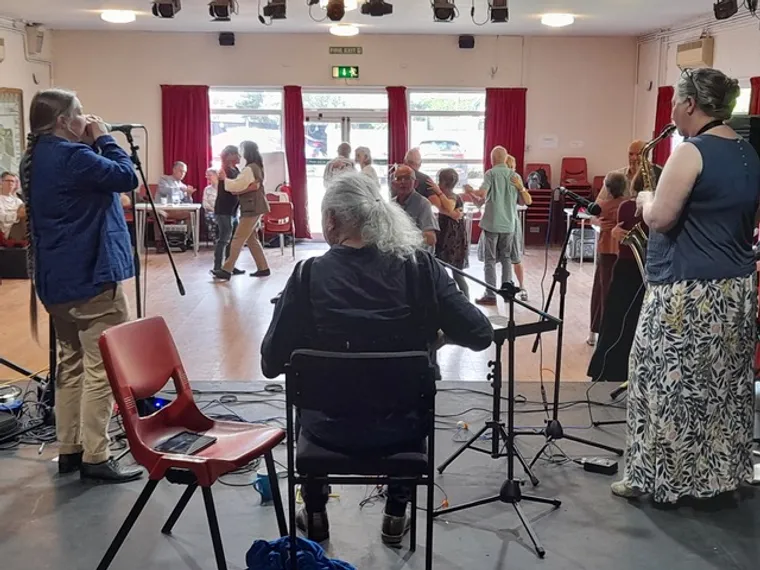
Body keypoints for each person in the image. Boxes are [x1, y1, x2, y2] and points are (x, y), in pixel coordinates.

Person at [261, 171, 493, 544]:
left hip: (326, 429)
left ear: (332, 220)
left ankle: (316, 512)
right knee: (404, 395)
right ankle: (395, 516)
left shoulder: (307, 277)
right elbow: (480, 335)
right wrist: (436, 339)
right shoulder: (421, 268)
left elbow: (270, 363)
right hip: (401, 429)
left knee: (313, 395)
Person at [612, 67, 760, 503]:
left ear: (691, 104)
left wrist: (642, 200)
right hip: (734, 291)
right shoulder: (750, 153)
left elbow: (660, 218)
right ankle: (716, 477)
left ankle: (655, 478)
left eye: (676, 100)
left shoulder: (690, 151)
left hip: (686, 293)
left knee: (662, 383)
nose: (673, 109)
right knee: (722, 386)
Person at [19, 88, 143, 482]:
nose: (85, 117)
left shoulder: (34, 157)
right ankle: (96, 455)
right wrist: (105, 138)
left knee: (69, 366)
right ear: (63, 122)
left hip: (55, 281)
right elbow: (127, 178)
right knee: (101, 369)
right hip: (91, 278)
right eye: (80, 113)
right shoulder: (74, 156)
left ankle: (69, 448)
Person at [587, 166, 660, 384]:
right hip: (647, 271)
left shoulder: (628, 207)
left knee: (616, 321)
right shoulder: (632, 205)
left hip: (627, 268)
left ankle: (608, 370)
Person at [465, 146, 529, 306]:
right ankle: (507, 292)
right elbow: (523, 201)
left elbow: (482, 194)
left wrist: (470, 189)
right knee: (507, 258)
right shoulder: (515, 176)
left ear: (492, 159)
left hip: (492, 223)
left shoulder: (491, 173)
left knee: (490, 260)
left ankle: (490, 294)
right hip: (509, 224)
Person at [213, 141, 271, 280]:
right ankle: (263, 268)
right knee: (251, 239)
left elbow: (237, 185)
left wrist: (224, 180)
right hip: (256, 206)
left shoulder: (249, 169)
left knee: (237, 239)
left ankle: (226, 270)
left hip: (251, 208)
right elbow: (248, 186)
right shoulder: (257, 166)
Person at [588, 172, 628, 345]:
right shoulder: (627, 206)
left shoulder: (603, 205)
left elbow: (592, 215)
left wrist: (596, 220)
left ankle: (601, 332)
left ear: (608, 188)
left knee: (603, 292)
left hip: (606, 252)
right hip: (623, 252)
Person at [434, 168, 469, 298]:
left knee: (456, 274)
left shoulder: (452, 197)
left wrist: (439, 193)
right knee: (455, 273)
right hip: (450, 238)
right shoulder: (446, 197)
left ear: (443, 183)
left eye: (439, 182)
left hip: (451, 240)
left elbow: (449, 205)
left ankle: (464, 300)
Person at [390, 165, 438, 250]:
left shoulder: (423, 204)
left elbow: (431, 238)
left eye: (407, 178)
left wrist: (404, 237)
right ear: (393, 184)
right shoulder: (391, 204)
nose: (402, 182)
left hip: (418, 257)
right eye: (399, 178)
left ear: (415, 183)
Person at [212, 145, 242, 274]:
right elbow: (231, 188)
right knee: (224, 239)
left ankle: (229, 266)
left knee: (232, 240)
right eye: (237, 154)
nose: (239, 157)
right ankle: (218, 267)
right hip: (224, 210)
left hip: (233, 210)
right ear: (230, 156)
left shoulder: (235, 169)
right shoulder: (224, 170)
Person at [506, 154, 531, 301]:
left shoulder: (515, 177)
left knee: (515, 258)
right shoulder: (495, 177)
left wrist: (520, 187)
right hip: (501, 222)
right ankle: (510, 287)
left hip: (512, 222)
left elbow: (527, 201)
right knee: (504, 260)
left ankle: (522, 287)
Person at [403, 147, 456, 215]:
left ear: (405, 161)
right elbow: (439, 207)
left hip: (399, 220)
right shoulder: (425, 180)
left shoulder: (393, 177)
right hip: (418, 221)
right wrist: (454, 215)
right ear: (420, 164)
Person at [0, 171, 26, 242]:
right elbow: (1, 217)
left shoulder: (18, 201)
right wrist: (17, 215)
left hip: (19, 228)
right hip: (5, 230)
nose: (10, 183)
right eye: (8, 181)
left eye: (13, 181)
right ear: (1, 182)